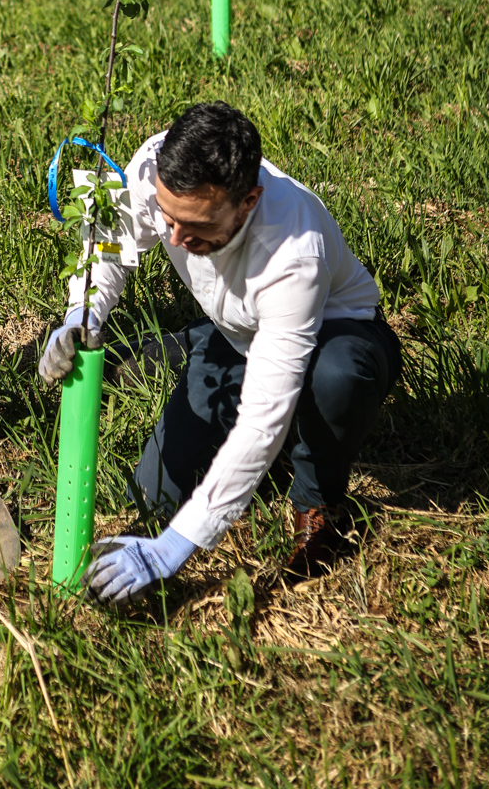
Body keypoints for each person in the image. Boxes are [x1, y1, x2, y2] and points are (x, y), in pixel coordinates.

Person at [39, 101, 402, 603]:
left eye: (198, 229)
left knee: (336, 378)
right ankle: (188, 344)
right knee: (152, 498)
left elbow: (262, 421)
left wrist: (173, 550)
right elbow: (109, 245)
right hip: (236, 334)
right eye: (168, 219)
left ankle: (320, 503)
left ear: (248, 200)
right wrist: (83, 315)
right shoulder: (154, 169)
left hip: (337, 336)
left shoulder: (294, 252)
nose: (175, 239)